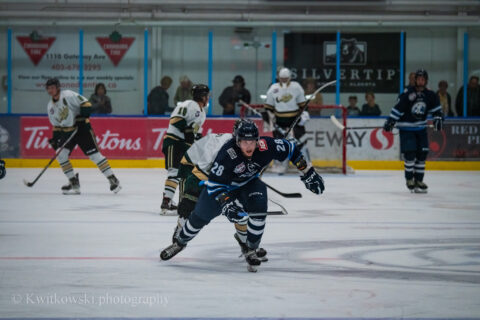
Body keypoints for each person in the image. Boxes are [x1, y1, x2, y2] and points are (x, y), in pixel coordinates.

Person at [160, 120, 325, 272]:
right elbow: (216, 184)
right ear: (237, 141)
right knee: (199, 217)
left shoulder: (266, 146)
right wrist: (226, 203)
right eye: (245, 142)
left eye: (252, 141)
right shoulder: (227, 154)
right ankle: (180, 242)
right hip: (221, 186)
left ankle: (251, 247)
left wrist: (308, 172)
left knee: (259, 210)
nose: (249, 146)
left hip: (247, 184)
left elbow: (291, 149)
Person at [171, 120, 268, 260]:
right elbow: (204, 170)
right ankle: (178, 235)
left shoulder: (242, 146)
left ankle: (246, 243)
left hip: (216, 173)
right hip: (194, 167)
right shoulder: (222, 144)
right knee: (189, 203)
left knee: (239, 208)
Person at [45, 78, 121, 194]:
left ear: (58, 87)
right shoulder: (50, 106)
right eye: (48, 88)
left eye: (53, 88)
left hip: (82, 130)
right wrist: (55, 139)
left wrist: (82, 116)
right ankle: (73, 181)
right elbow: (56, 125)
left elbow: (86, 103)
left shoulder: (68, 95)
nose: (50, 90)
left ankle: (113, 179)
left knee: (94, 156)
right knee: (61, 154)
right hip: (68, 132)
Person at [383, 69, 443, 193]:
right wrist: (390, 121)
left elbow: (437, 110)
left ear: (426, 81)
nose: (420, 81)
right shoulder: (407, 94)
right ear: (415, 80)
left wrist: (438, 119)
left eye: (423, 79)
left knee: (422, 155)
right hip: (407, 128)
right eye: (418, 79)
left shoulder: (430, 95)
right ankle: (410, 178)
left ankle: (419, 180)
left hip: (421, 129)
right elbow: (397, 109)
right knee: (410, 154)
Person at [160, 84, 209, 214]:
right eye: (207, 95)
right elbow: (175, 120)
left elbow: (195, 133)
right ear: (202, 96)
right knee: (174, 172)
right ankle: (166, 201)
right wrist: (188, 132)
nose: (208, 98)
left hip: (185, 146)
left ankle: (183, 202)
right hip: (174, 142)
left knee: (185, 174)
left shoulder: (202, 113)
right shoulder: (188, 104)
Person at [264, 67, 310, 173]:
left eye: (286, 78)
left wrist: (304, 115)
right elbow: (268, 107)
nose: (284, 80)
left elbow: (303, 105)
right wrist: (269, 121)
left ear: (289, 77)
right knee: (279, 144)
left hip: (295, 119)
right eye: (282, 78)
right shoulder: (273, 88)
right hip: (279, 120)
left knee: (301, 141)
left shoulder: (296, 87)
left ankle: (304, 165)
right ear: (279, 78)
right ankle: (280, 165)